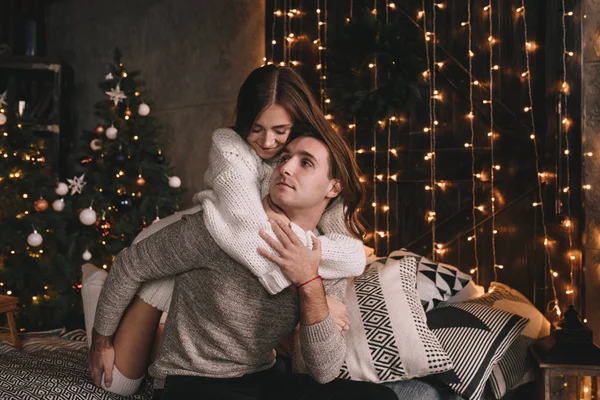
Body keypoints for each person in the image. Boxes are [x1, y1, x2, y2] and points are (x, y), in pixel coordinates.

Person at [83, 65, 366, 395]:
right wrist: (99, 341)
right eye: (284, 157)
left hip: (258, 374)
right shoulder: (223, 214)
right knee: (154, 290)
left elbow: (325, 370)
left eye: (304, 161)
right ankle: (156, 320)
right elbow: (131, 264)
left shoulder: (321, 252)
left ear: (333, 187)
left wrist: (311, 285)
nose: (279, 158)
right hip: (195, 376)